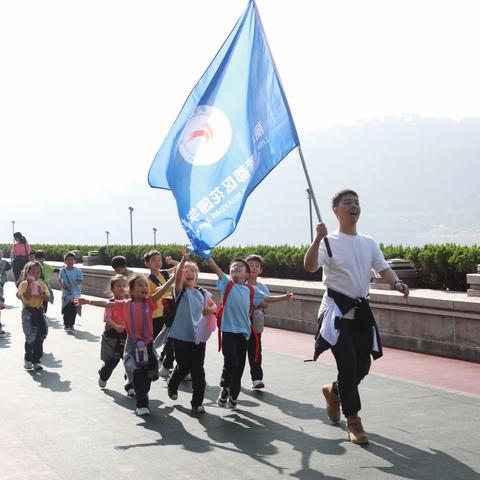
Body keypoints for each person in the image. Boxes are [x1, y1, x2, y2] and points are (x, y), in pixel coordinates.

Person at [304, 188, 409, 445]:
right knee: (348, 365)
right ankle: (353, 420)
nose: (354, 206)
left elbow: (382, 268)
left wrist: (397, 283)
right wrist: (317, 239)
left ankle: (334, 391)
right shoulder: (329, 241)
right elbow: (309, 266)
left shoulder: (368, 242)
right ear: (336, 211)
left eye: (357, 202)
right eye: (348, 202)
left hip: (361, 314)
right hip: (335, 313)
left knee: (362, 367)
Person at [76, 273, 176, 417]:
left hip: (147, 345)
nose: (144, 287)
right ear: (131, 290)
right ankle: (142, 404)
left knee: (148, 375)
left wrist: (175, 276)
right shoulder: (125, 304)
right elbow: (107, 304)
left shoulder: (149, 302)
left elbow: (162, 290)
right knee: (137, 372)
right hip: (133, 344)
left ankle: (142, 390)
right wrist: (88, 301)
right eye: (140, 285)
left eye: (145, 285)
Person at [206, 255, 294, 409]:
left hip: (244, 333)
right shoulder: (227, 284)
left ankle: (233, 395)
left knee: (239, 365)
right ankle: (225, 388)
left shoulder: (251, 290)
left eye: (239, 266)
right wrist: (206, 256)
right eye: (233, 266)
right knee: (231, 361)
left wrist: (284, 298)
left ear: (247, 275)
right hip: (227, 332)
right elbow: (216, 269)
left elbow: (267, 299)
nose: (235, 268)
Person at [166, 252, 217, 414]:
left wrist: (210, 309)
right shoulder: (179, 291)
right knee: (183, 367)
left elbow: (214, 306)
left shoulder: (202, 293)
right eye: (186, 270)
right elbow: (179, 273)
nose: (189, 273)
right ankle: (172, 384)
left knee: (198, 370)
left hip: (199, 337)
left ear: (197, 276)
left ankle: (197, 403)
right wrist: (183, 261)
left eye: (193, 271)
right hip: (181, 336)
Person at [143, 250, 177, 378]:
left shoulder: (164, 273)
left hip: (168, 313)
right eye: (154, 260)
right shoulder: (147, 280)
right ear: (147, 263)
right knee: (152, 341)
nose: (158, 262)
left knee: (170, 340)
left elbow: (180, 268)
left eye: (159, 260)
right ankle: (149, 361)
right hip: (155, 315)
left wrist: (172, 262)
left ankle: (166, 363)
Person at [17, 262, 50, 370]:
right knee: (30, 337)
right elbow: (24, 296)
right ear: (27, 273)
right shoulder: (24, 284)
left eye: (38, 272)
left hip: (39, 311)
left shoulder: (42, 284)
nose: (35, 275)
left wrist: (42, 294)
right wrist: (29, 286)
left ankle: (36, 361)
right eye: (32, 272)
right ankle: (28, 359)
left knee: (40, 336)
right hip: (28, 312)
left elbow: (47, 298)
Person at [97, 275, 128, 389]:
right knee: (111, 361)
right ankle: (103, 375)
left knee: (129, 361)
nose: (122, 288)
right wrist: (116, 326)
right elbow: (107, 318)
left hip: (127, 335)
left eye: (124, 285)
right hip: (112, 336)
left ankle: (130, 386)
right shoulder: (110, 303)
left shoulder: (130, 302)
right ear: (112, 288)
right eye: (118, 285)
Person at [245, 254, 270, 390]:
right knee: (236, 352)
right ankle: (229, 378)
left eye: (257, 266)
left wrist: (256, 302)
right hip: (239, 322)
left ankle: (257, 379)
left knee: (255, 350)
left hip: (255, 322)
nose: (253, 268)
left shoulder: (262, 286)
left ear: (260, 270)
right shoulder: (239, 284)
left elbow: (268, 303)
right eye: (250, 265)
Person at [59, 252, 83, 331]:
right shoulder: (62, 271)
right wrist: (62, 285)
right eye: (68, 260)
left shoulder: (78, 271)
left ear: (74, 261)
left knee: (74, 310)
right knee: (66, 309)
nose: (70, 261)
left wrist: (73, 284)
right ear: (65, 261)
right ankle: (66, 324)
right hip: (66, 294)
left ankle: (71, 324)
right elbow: (60, 280)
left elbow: (80, 280)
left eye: (72, 260)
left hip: (75, 294)